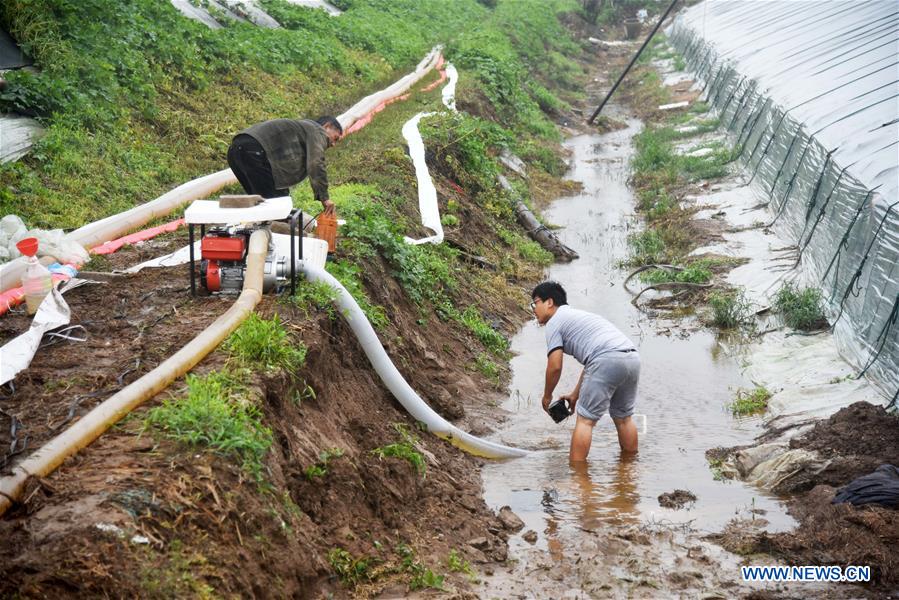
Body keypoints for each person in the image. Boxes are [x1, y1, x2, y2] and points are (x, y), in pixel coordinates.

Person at [531, 281, 640, 461]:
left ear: (549, 302)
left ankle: (578, 477)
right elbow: (593, 361)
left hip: (606, 359)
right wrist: (575, 394)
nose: (534, 309)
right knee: (624, 419)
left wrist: (547, 395)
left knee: (585, 421)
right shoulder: (580, 316)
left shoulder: (554, 322)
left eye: (535, 303)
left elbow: (555, 366)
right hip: (632, 358)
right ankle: (628, 472)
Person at [227, 116, 342, 215]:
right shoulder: (317, 131)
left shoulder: (301, 130)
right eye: (335, 138)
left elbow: (279, 171)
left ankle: (254, 236)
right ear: (326, 126)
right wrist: (324, 198)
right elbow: (316, 163)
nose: (333, 144)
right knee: (277, 207)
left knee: (260, 204)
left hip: (235, 151)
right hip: (254, 151)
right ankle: (273, 238)